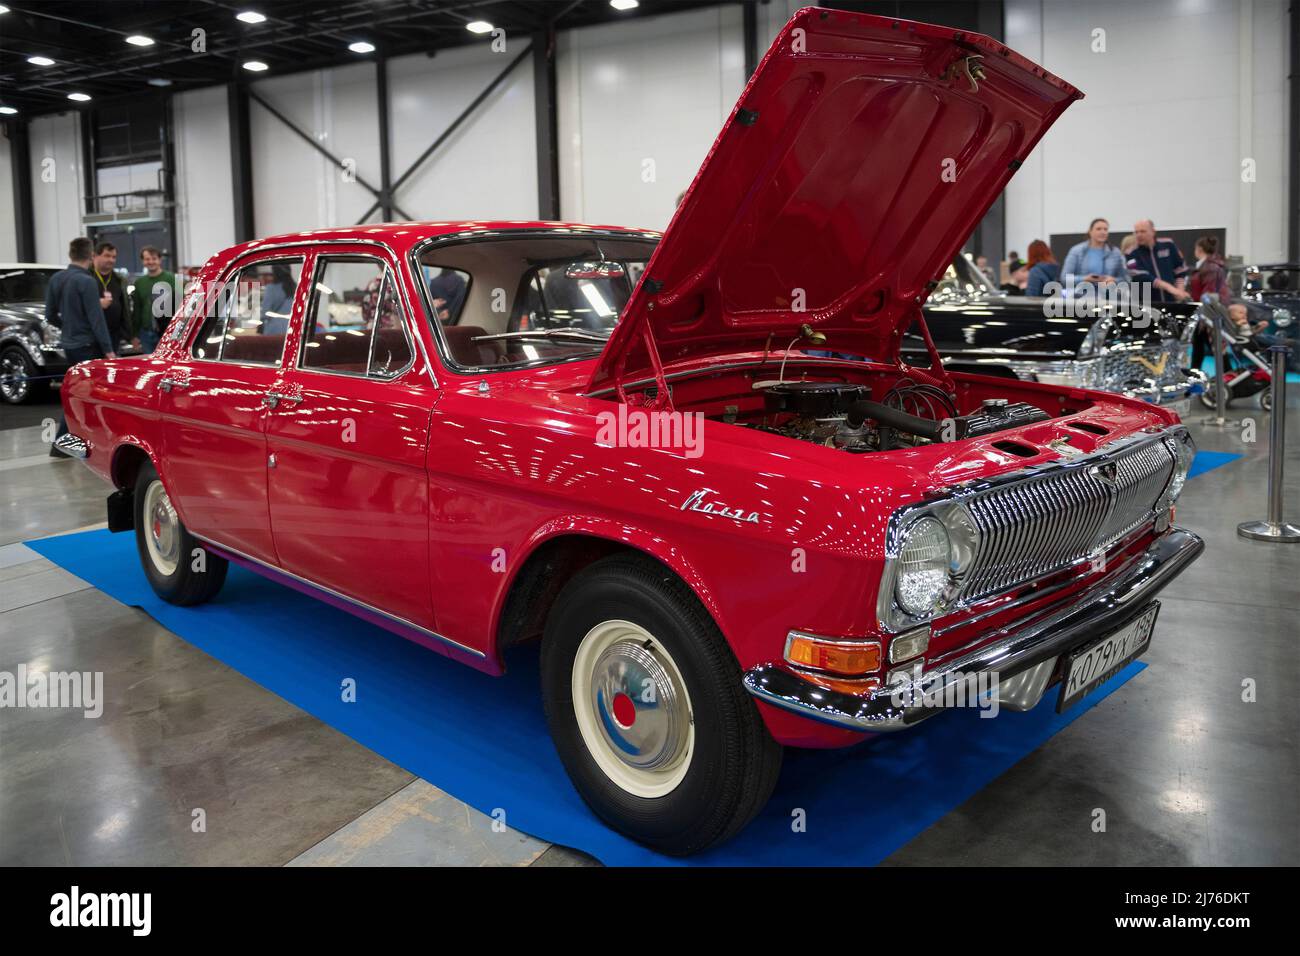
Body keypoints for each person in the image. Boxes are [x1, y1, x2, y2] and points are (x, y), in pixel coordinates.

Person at [48, 237, 115, 457]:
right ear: (90, 256)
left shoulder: (56, 279)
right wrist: (108, 350)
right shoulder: (86, 282)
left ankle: (71, 442)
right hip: (87, 344)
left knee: (79, 392)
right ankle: (62, 443)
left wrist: (67, 326)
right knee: (82, 395)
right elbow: (97, 319)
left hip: (69, 343)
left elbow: (50, 315)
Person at [130, 246, 182, 354]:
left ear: (160, 260)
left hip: (167, 332)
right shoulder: (139, 283)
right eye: (147, 259)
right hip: (145, 333)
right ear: (143, 261)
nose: (151, 262)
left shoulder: (172, 279)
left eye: (154, 258)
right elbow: (137, 310)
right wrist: (134, 335)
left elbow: (181, 305)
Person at [1126, 219, 1189, 303]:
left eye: (1143, 231)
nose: (1139, 235)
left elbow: (1180, 269)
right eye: (1136, 232)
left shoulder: (1168, 245)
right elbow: (1140, 276)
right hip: (1146, 302)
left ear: (1153, 232)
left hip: (1171, 301)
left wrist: (1180, 290)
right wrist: (1169, 288)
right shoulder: (1131, 253)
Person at [1061, 218, 1127, 295]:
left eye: (1105, 229)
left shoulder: (1115, 252)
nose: (1103, 232)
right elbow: (1064, 278)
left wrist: (1113, 280)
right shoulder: (1076, 251)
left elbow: (1125, 279)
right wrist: (1085, 279)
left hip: (1108, 296)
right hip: (1081, 296)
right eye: (1098, 229)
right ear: (1090, 231)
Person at [90, 241, 131, 351]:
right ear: (94, 256)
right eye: (107, 256)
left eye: (114, 257)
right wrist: (96, 304)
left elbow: (125, 308)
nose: (111, 260)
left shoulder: (119, 279)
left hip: (114, 335)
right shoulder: (86, 277)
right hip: (91, 336)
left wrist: (127, 333)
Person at [259, 263, 297, 334]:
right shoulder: (296, 287)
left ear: (275, 272)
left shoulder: (271, 288)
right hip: (293, 328)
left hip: (274, 329)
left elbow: (265, 312)